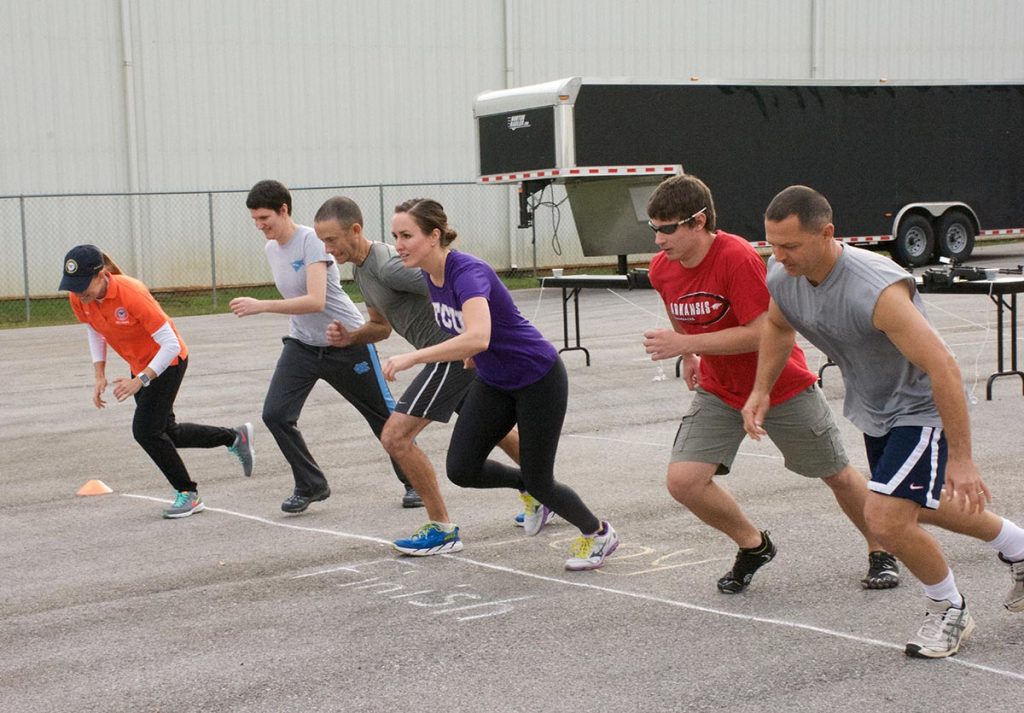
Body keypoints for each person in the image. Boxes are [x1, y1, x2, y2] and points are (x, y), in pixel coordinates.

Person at [744, 185, 1024, 658]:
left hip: (920, 408)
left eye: (790, 245)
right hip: (876, 409)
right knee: (920, 506)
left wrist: (962, 458)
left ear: (827, 234)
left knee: (887, 520)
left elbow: (944, 367)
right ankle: (1019, 546)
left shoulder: (876, 287)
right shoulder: (783, 275)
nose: (780, 255)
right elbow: (776, 325)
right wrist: (760, 389)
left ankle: (949, 608)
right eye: (773, 243)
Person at [642, 174, 898, 593]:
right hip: (720, 389)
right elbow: (678, 309)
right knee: (684, 481)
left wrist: (686, 342)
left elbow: (765, 331)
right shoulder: (662, 268)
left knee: (835, 472)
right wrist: (689, 354)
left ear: (699, 221)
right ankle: (754, 544)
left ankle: (881, 547)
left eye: (668, 229)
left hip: (780, 384)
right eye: (654, 228)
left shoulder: (736, 256)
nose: (659, 240)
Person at [381, 198, 618, 571]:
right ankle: (532, 489)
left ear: (434, 235)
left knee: (542, 479)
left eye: (407, 235)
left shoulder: (467, 271)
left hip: (538, 377)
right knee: (462, 469)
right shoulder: (431, 274)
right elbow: (472, 331)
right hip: (495, 381)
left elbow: (478, 335)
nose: (399, 244)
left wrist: (414, 357)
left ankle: (599, 532)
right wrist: (474, 353)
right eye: (395, 236)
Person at [312, 196, 526, 555]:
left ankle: (442, 529)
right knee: (499, 432)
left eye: (332, 239)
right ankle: (545, 491)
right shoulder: (362, 271)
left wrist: (471, 339)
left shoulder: (389, 266)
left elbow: (454, 282)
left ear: (355, 230)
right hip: (454, 355)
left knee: (395, 437)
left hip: (449, 356)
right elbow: (381, 327)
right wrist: (351, 336)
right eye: (322, 241)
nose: (327, 248)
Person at [231, 180, 420, 514]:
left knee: (383, 417)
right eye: (254, 220)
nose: (260, 226)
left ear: (283, 210)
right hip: (303, 345)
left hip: (347, 342)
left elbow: (316, 300)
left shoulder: (313, 242)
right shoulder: (272, 249)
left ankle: (414, 482)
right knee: (275, 414)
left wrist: (261, 305)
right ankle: (311, 484)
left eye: (264, 218)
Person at [59, 244, 254, 518]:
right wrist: (99, 374)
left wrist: (140, 380)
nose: (79, 293)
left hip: (167, 363)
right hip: (141, 365)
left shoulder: (131, 293)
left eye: (83, 286)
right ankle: (234, 437)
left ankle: (188, 494)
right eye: (73, 286)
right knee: (167, 432)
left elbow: (171, 345)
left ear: (101, 274)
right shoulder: (80, 298)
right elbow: (95, 330)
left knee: (146, 431)